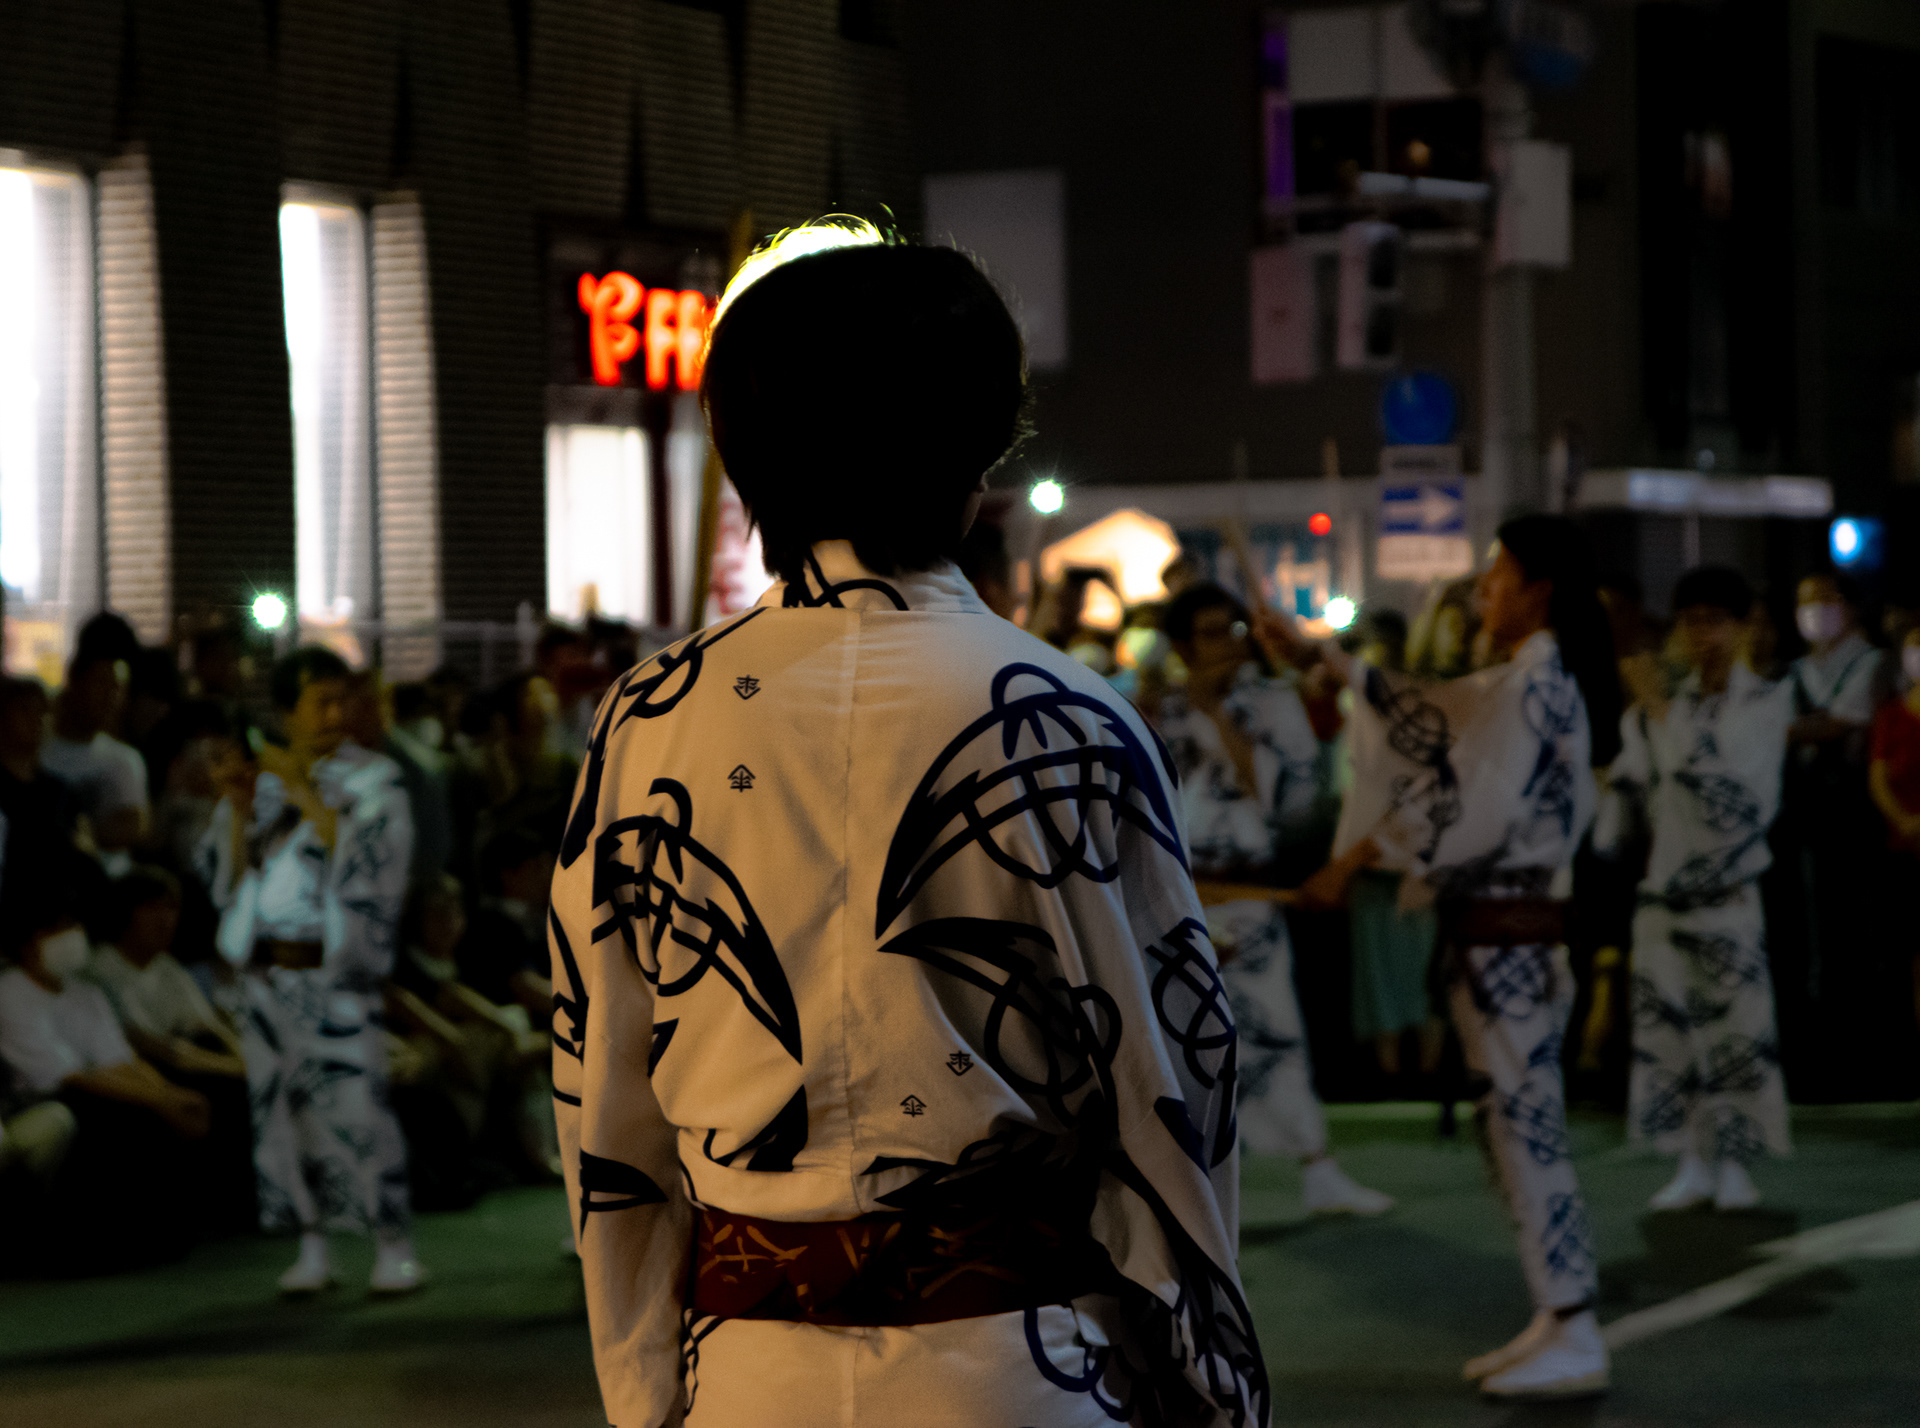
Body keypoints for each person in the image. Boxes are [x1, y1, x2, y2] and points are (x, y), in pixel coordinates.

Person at [554, 223, 1266, 1428]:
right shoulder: (1067, 718)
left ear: (743, 456)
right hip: (1020, 1362)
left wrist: (639, 1380)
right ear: (977, 456)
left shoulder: (645, 719)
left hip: (742, 1368)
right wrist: (1205, 1375)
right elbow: (1166, 1074)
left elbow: (602, 1089)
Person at [1297, 514, 1621, 1399]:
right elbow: (1440, 734)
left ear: (1536, 590)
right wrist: (1342, 671)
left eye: (1495, 577)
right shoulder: (1531, 682)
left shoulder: (1534, 683)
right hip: (1504, 934)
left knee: (1527, 1127)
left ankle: (1575, 1319)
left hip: (1509, 937)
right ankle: (1557, 1314)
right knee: (1514, 1126)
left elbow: (1465, 798)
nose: (1483, 592)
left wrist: (1362, 857)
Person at [1152, 582, 1393, 1215]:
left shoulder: (1271, 702)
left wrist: (1219, 718)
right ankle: (1188, 1184)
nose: (1227, 647)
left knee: (1275, 1026)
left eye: (1234, 632)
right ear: (1181, 645)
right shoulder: (1151, 708)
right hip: (1179, 890)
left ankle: (1317, 1166)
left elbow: (1284, 802)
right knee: (1179, 1035)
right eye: (1210, 634)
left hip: (1252, 884)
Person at [198, 646, 424, 1296]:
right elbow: (226, 880)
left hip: (334, 970)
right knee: (282, 1116)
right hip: (269, 974)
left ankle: (392, 1241)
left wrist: (304, 794)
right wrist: (242, 808)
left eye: (340, 699)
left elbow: (375, 870)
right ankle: (312, 1240)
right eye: (319, 701)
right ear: (287, 711)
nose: (334, 713)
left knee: (358, 1110)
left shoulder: (375, 781)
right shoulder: (262, 783)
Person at [1600, 567, 1793, 1211]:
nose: (1701, 634)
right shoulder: (1662, 709)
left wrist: (1656, 711)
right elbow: (1626, 795)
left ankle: (1735, 1161)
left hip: (1728, 896)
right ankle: (1690, 1160)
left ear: (1743, 628)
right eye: (1691, 621)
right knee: (1668, 1035)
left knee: (1735, 1036)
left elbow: (1737, 802)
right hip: (1662, 898)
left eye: (1716, 620)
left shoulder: (1766, 702)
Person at [0, 877, 208, 1271]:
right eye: (58, 929)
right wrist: (161, 1102)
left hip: (98, 1085)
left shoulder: (85, 993)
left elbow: (120, 1060)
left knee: (164, 1111)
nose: (72, 937)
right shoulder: (9, 992)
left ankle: (164, 1236)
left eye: (73, 927)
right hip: (50, 1096)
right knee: (125, 1122)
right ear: (29, 940)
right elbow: (69, 1075)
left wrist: (169, 1094)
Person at [42, 644, 149, 874]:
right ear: (75, 683)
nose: (111, 696)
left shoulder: (125, 759)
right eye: (101, 684)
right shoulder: (37, 752)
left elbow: (133, 827)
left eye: (118, 688)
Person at [1868, 625, 1920, 1036]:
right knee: (1910, 947)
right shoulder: (1891, 714)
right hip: (1903, 845)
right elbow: (1878, 776)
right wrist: (1904, 821)